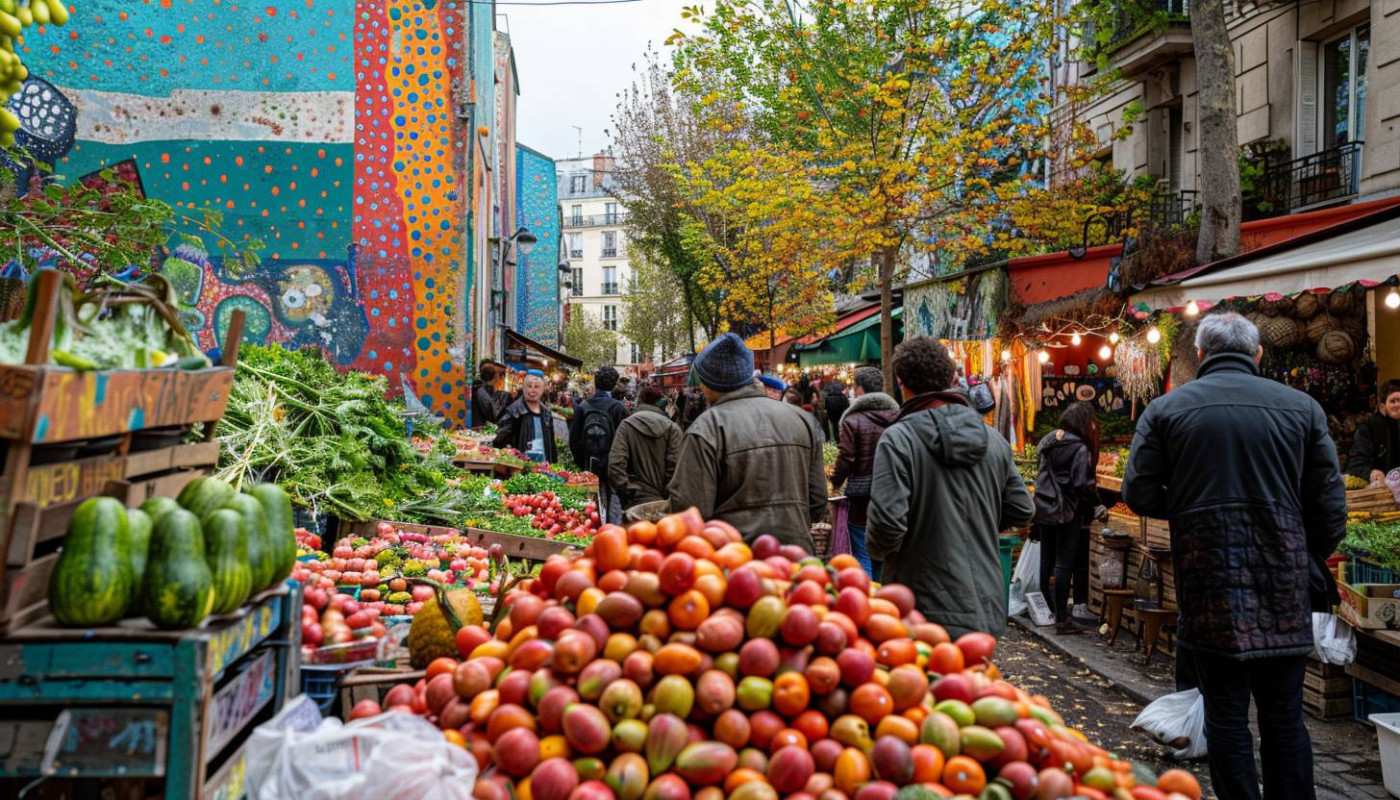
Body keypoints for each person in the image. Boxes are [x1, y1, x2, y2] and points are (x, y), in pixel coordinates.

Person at [1122, 312, 1346, 800]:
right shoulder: (1302, 408)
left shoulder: (1165, 409)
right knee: (1284, 715)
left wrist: (1191, 510)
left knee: (1224, 714)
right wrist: (1302, 552)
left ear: (1200, 354)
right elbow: (1330, 507)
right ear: (1257, 354)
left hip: (1209, 580)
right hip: (1283, 583)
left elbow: (1137, 492)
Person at [867, 337, 1034, 637]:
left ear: (901, 381)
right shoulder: (994, 439)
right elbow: (1023, 509)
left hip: (920, 607)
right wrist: (978, 521)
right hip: (986, 602)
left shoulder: (898, 439)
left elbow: (886, 527)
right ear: (950, 378)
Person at [668, 333, 827, 550]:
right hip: (796, 555)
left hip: (733, 558)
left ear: (711, 383)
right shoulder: (802, 419)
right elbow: (818, 499)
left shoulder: (706, 428)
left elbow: (689, 511)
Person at [1031, 401, 1106, 634]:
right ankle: (1062, 618)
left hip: (1043, 507)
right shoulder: (1080, 448)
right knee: (1064, 564)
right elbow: (1082, 484)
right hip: (1065, 511)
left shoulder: (1049, 440)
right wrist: (1097, 504)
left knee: (1046, 560)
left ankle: (1047, 611)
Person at [830, 366, 898, 576]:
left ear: (859, 389)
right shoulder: (897, 417)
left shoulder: (852, 420)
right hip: (892, 493)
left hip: (861, 498)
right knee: (885, 553)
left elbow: (846, 457)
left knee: (862, 551)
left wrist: (835, 482)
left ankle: (867, 592)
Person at [609, 383, 684, 510]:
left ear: (641, 400)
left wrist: (629, 492)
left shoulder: (626, 425)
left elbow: (615, 465)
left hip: (634, 502)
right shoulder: (673, 428)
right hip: (664, 504)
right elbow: (677, 468)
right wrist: (666, 495)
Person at [571, 366, 630, 524]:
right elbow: (625, 442)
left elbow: (574, 440)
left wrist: (582, 463)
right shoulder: (619, 408)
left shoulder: (583, 406)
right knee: (614, 501)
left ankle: (592, 530)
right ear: (614, 384)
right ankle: (612, 531)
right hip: (612, 464)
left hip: (589, 462)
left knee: (590, 504)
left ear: (595, 383)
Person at [492, 370, 557, 463]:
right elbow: (499, 440)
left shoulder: (546, 413)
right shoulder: (514, 411)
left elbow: (552, 446)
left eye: (537, 387)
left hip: (543, 467)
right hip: (520, 467)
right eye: (529, 386)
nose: (533, 390)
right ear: (524, 388)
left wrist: (553, 466)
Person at [1347, 380, 1400, 485]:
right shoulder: (1368, 427)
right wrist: (1371, 473)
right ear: (1382, 405)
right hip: (1378, 488)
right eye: (1393, 401)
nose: (1398, 405)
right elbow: (1356, 464)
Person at [472, 363, 502, 428]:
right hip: (483, 428)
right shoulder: (483, 391)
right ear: (495, 376)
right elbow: (493, 414)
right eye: (499, 374)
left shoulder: (484, 389)